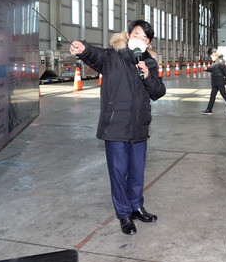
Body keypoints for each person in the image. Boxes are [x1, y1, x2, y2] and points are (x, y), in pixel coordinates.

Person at [70, 20, 166, 236]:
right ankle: (124, 214)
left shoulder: (149, 62)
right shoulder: (112, 57)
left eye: (145, 38)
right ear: (128, 35)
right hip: (116, 126)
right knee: (118, 172)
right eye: (137, 34)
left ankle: (136, 207)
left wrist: (148, 76)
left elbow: (158, 92)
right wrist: (84, 49)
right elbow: (95, 55)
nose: (141, 39)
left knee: (136, 172)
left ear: (148, 42)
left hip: (139, 124)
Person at [201, 48, 226, 115]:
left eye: (210, 55)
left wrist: (225, 78)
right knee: (212, 96)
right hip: (215, 82)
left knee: (224, 95)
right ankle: (209, 109)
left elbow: (225, 71)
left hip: (219, 81)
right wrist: (207, 69)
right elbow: (213, 69)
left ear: (213, 54)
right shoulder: (216, 61)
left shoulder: (220, 60)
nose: (210, 56)